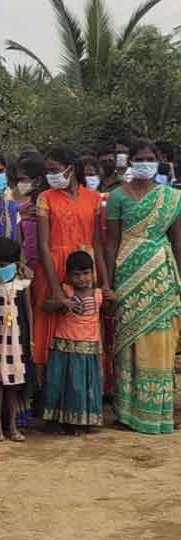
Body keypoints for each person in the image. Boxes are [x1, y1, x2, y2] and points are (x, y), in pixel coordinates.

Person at [106, 140, 181, 434]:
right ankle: (127, 412)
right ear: (130, 162)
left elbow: (178, 242)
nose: (144, 163)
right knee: (128, 340)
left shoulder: (173, 197)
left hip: (161, 272)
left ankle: (158, 411)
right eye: (139, 159)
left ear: (159, 160)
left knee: (160, 340)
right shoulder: (116, 197)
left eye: (149, 158)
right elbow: (111, 242)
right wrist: (109, 282)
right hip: (127, 272)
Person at [32, 146, 108, 379]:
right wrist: (56, 290)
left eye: (54, 170)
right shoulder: (45, 198)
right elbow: (43, 245)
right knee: (50, 322)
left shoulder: (94, 198)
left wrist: (103, 282)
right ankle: (46, 386)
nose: (50, 175)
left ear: (70, 169)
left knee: (83, 322)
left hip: (85, 267)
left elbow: (97, 243)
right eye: (47, 171)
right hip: (53, 266)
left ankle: (80, 381)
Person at [42, 251, 105, 434]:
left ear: (92, 273)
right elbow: (45, 306)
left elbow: (109, 313)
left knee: (82, 386)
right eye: (76, 275)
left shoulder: (98, 294)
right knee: (61, 384)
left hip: (88, 348)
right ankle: (57, 421)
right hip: (64, 346)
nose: (82, 278)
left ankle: (81, 422)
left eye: (86, 273)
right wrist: (63, 303)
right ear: (69, 276)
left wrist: (113, 299)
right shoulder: (65, 291)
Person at [0, 237, 34, 442]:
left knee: (14, 383)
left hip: (16, 339)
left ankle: (12, 425)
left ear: (15, 263)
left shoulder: (23, 281)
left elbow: (28, 310)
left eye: (3, 266)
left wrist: (29, 338)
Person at [12, 153, 45, 274]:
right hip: (25, 265)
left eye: (22, 179)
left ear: (38, 180)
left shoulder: (48, 202)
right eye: (17, 180)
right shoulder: (16, 206)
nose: (19, 184)